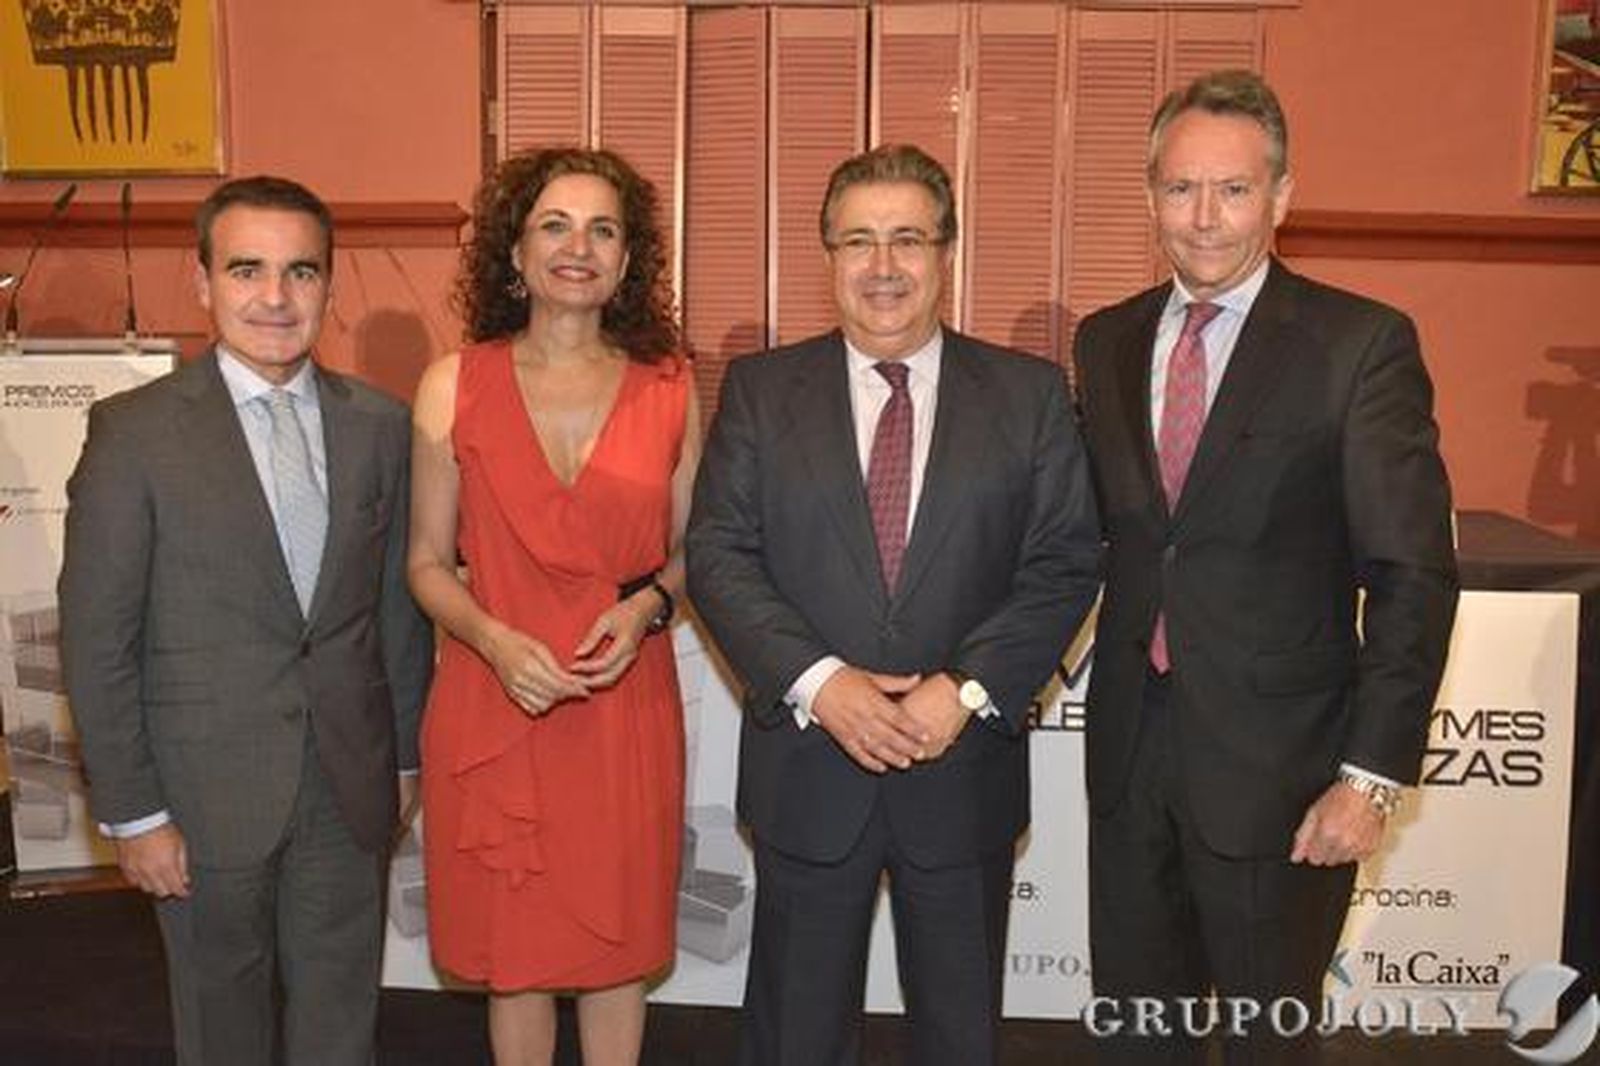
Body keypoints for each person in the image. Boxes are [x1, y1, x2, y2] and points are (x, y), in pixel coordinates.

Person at [1071, 70, 1459, 1064]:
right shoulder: (1104, 342)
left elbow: (1412, 571)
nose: (1202, 217)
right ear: (1149, 194)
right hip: (1127, 763)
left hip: (1282, 778)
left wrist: (1367, 781)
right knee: (1133, 1036)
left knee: (1260, 1043)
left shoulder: (1358, 345)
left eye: (1233, 189)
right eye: (1179, 188)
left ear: (1281, 197)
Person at [686, 144, 1102, 1066]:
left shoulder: (1030, 397)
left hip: (960, 777)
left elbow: (1066, 561)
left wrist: (961, 691)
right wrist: (822, 683)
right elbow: (716, 553)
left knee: (960, 1036)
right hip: (808, 772)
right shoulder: (759, 392)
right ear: (827, 256)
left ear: (947, 253)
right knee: (795, 1035)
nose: (884, 267)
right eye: (860, 241)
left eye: (908, 239)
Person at [59, 175, 434, 1066]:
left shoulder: (381, 427)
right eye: (247, 270)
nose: (275, 298)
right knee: (220, 1024)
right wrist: (133, 812)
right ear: (202, 283)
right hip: (198, 796)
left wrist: (406, 755)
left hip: (347, 787)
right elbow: (97, 639)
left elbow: (394, 609)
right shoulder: (133, 434)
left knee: (343, 1018)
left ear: (329, 287)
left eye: (301, 272)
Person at [408, 147, 699, 1066]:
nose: (580, 246)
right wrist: (495, 643)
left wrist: (650, 603)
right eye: (555, 225)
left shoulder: (673, 387)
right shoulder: (454, 383)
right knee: (518, 962)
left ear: (627, 260)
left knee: (618, 955)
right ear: (515, 252)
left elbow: (695, 556)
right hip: (494, 701)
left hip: (622, 706)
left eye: (603, 229)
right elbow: (425, 563)